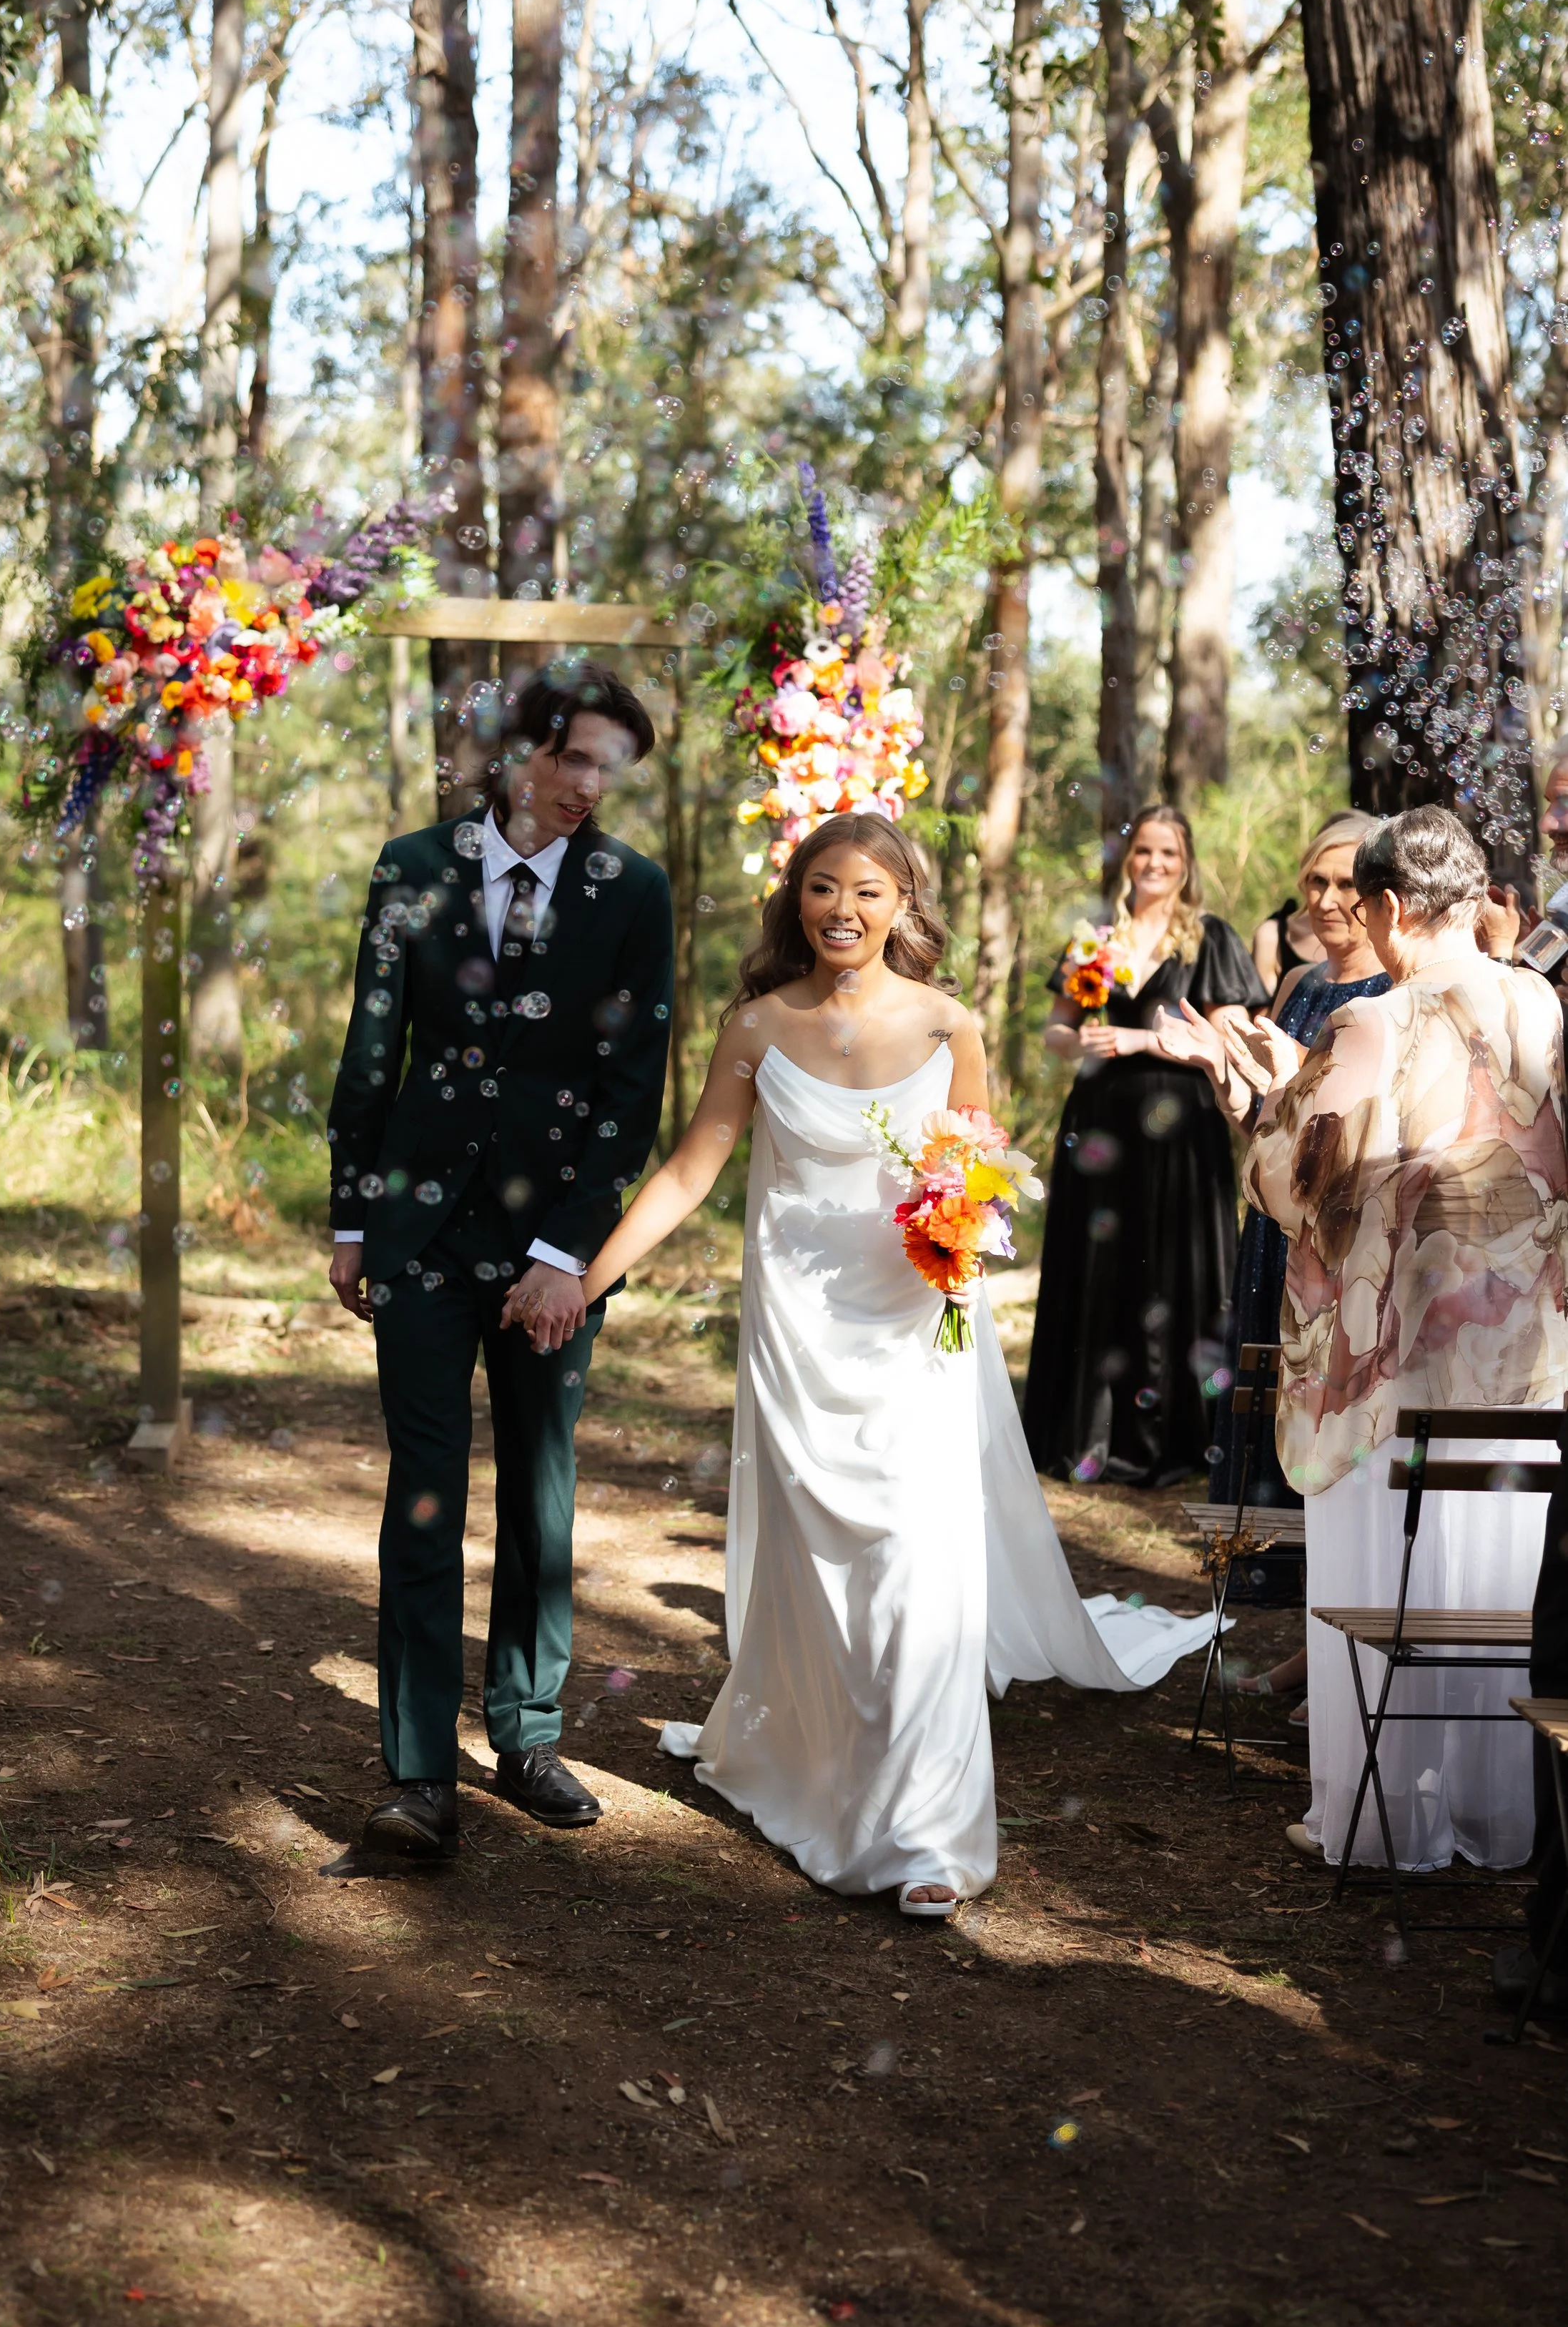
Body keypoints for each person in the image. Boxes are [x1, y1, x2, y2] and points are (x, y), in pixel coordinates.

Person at [531, 816, 1217, 1916]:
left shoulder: (952, 1024)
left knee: (918, 1561)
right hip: (800, 1333)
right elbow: (689, 1172)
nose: (842, 909)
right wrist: (584, 1275)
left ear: (906, 906)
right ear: (793, 899)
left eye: (868, 890)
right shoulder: (754, 1026)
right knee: (821, 1570)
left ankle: (930, 1835)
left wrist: (966, 1241)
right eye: (820, 887)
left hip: (919, 1324)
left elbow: (982, 1173)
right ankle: (820, 1754)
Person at [325, 665, 674, 1864]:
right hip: (419, 1234)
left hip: (556, 1258)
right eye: (573, 758)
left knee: (540, 1487)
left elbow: (634, 1098)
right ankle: (420, 1771)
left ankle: (525, 1734)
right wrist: (352, 1216)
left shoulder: (634, 891)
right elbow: (374, 1044)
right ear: (520, 750)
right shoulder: (410, 868)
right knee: (422, 1495)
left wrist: (564, 1254)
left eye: (609, 770)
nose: (588, 788)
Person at [1243, 806, 1563, 1871]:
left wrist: (1252, 1101)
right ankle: (1501, 1815)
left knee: (1396, 1574)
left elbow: (1298, 1182)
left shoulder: (1374, 1020)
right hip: (1528, 1364)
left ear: (1385, 907)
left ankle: (1385, 1819)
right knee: (1502, 1576)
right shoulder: (1545, 1003)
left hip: (1405, 1361)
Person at [1158, 813, 1387, 1682]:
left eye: (1345, 884)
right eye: (1314, 884)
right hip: (1272, 1232)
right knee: (1280, 1425)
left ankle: (1325, 1658)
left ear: (1382, 894)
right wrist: (1224, 1076)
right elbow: (1265, 1127)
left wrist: (1289, 1081)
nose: (1327, 902)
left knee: (1333, 1437)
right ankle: (1310, 1650)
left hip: (1337, 1242)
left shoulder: (1389, 999)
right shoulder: (1294, 979)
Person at [1023, 805, 1266, 1488]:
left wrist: (1139, 1040)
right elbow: (1056, 1030)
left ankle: (1171, 1440)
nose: (1154, 865)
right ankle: (1089, 1431)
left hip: (1179, 1124)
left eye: (1168, 854)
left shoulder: (1209, 939)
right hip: (1101, 1117)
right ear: (1127, 861)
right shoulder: (1096, 937)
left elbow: (1227, 1039)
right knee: (1101, 1264)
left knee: (1169, 1264)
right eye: (1143, 852)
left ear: (1185, 864)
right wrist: (1083, 1041)